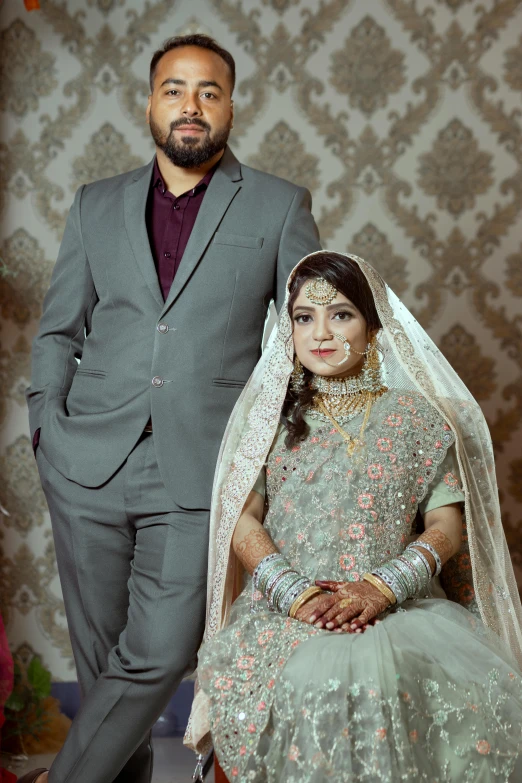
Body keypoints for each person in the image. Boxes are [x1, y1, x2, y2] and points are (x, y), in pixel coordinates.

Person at [22, 33, 320, 783]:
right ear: (151, 102)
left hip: (202, 466)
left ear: (228, 107)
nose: (191, 106)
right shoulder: (96, 205)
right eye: (175, 89)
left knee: (154, 653)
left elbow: (302, 342)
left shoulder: (281, 206)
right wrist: (45, 430)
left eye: (209, 92)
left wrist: (270, 457)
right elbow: (60, 328)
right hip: (85, 458)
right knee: (102, 668)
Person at [185, 251, 522, 782]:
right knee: (313, 682)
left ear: (373, 326)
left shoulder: (420, 418)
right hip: (287, 610)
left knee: (393, 681)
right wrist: (299, 596)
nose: (320, 332)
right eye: (304, 317)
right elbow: (242, 521)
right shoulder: (267, 422)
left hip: (393, 608)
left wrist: (379, 589)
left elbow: (448, 528)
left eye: (340, 314)